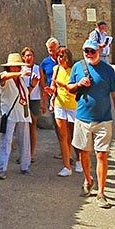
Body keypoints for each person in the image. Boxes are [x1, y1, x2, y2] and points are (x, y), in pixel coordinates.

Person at [65, 36, 115, 208]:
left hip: (103, 120)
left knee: (101, 154)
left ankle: (101, 192)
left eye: (93, 51)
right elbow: (69, 88)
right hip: (82, 119)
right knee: (83, 153)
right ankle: (88, 180)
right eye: (86, 51)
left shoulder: (108, 71)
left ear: (99, 52)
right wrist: (77, 84)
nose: (89, 54)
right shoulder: (78, 67)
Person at [0, 52, 32, 179]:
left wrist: (32, 84)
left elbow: (25, 95)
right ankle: (2, 169)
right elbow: (3, 77)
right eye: (15, 66)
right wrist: (20, 73)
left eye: (19, 66)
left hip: (22, 113)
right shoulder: (6, 77)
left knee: (25, 141)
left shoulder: (21, 80)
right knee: (7, 141)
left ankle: (25, 166)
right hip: (10, 114)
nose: (18, 68)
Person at [48, 46, 78, 176]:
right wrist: (51, 92)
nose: (59, 59)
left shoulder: (75, 70)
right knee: (63, 136)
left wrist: (65, 86)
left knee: (74, 135)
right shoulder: (57, 69)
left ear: (67, 58)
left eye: (62, 56)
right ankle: (67, 166)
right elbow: (53, 86)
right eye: (58, 56)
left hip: (73, 106)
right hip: (60, 104)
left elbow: (77, 88)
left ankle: (80, 161)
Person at [20, 46, 43, 163]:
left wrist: (44, 103)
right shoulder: (20, 69)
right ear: (23, 57)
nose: (29, 58)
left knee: (33, 124)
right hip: (23, 99)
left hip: (34, 99)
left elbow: (42, 86)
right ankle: (23, 153)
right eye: (27, 55)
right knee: (23, 127)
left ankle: (31, 153)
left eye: (31, 55)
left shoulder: (37, 69)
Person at [40, 38, 62, 159]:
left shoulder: (63, 60)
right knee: (57, 124)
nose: (52, 52)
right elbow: (43, 82)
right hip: (51, 97)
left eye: (54, 50)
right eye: (49, 50)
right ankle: (63, 149)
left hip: (64, 96)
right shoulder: (45, 63)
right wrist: (44, 101)